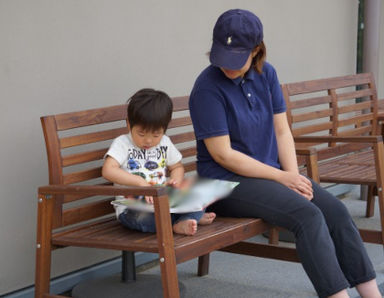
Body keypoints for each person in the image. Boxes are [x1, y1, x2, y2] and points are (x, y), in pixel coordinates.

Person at [189, 9, 381, 298]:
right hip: (224, 183)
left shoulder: (266, 74)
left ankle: (371, 294)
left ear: (256, 50)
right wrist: (283, 177)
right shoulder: (207, 88)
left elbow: (282, 131)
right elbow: (223, 155)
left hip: (268, 177)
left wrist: (292, 176)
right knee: (307, 216)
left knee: (337, 212)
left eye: (235, 58)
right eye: (221, 56)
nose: (226, 66)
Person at [102, 88, 216, 236]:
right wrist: (140, 183)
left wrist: (174, 183)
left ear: (164, 129)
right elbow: (108, 170)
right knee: (144, 219)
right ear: (129, 124)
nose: (148, 140)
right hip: (134, 209)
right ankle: (182, 221)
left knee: (199, 199)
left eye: (156, 134)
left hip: (164, 204)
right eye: (141, 134)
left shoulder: (165, 143)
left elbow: (177, 167)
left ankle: (186, 218)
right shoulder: (122, 144)